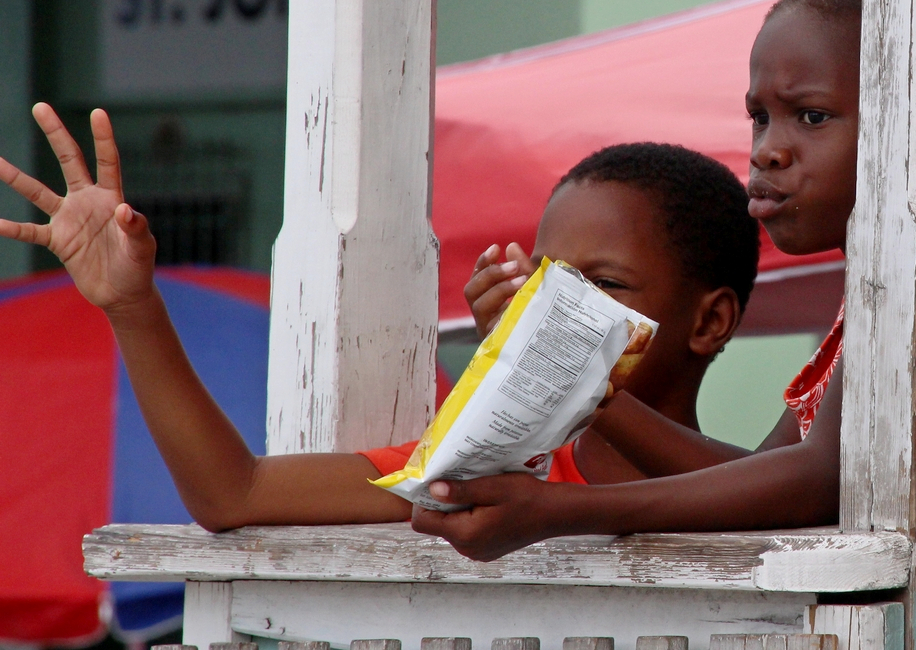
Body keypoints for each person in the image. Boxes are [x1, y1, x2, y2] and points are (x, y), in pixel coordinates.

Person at [408, 1, 916, 648]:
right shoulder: (865, 306)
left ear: (908, 120)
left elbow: (816, 484)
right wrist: (577, 371)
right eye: (759, 118)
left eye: (811, 117)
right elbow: (741, 482)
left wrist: (558, 514)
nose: (769, 151)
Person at [0, 109, 760, 529]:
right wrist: (134, 306)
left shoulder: (767, 484)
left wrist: (584, 380)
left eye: (604, 285)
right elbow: (233, 496)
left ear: (709, 321)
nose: (558, 309)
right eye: (546, 284)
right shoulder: (489, 471)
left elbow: (762, 500)